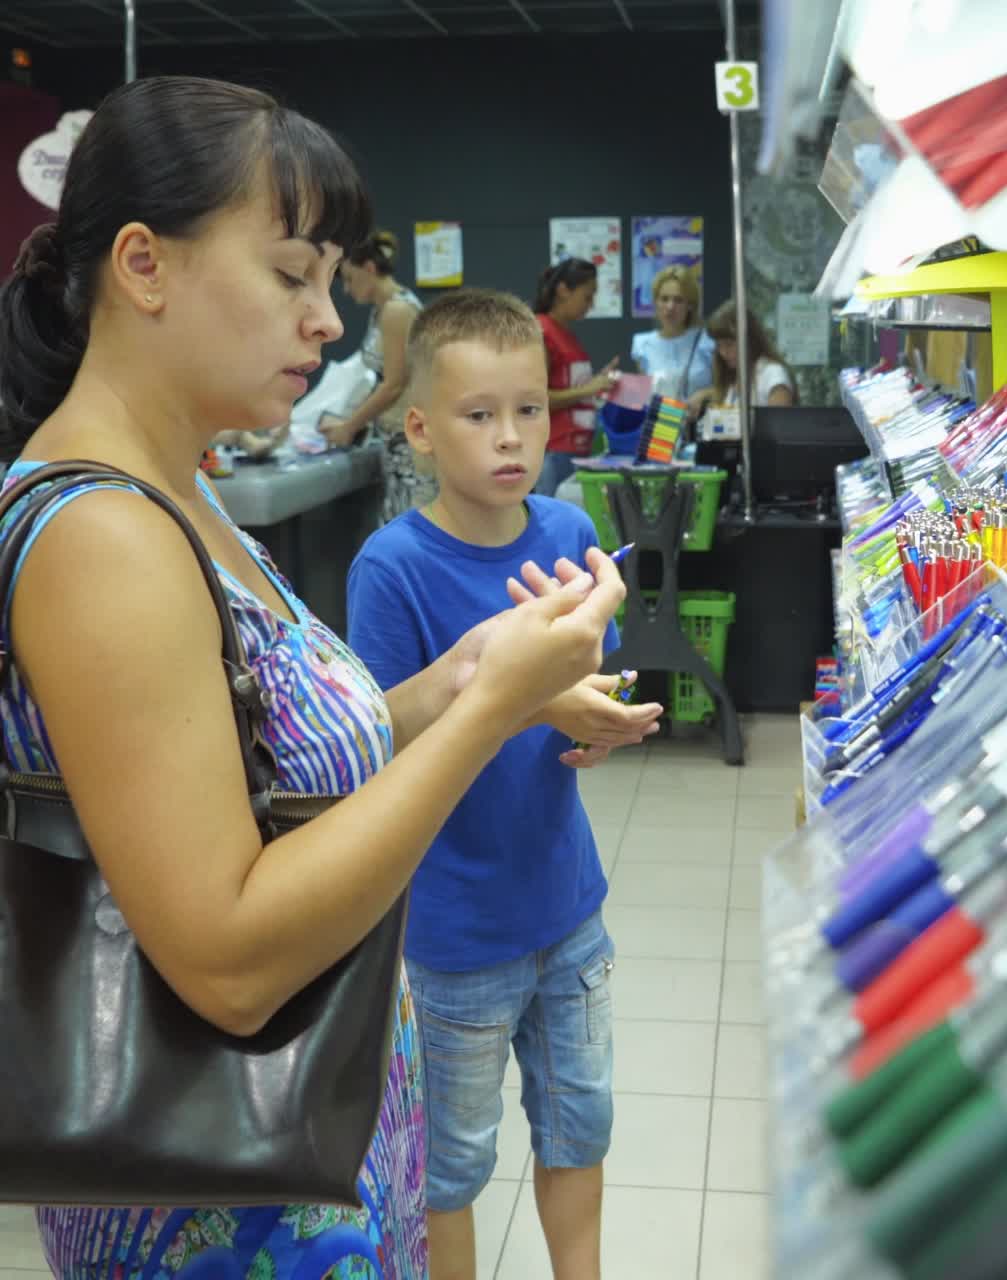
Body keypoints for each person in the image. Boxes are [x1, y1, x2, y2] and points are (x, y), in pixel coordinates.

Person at [0, 75, 626, 1280]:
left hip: (308, 1153)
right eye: (291, 273)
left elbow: (263, 769)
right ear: (144, 264)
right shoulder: (101, 537)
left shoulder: (178, 492)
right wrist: (492, 709)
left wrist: (463, 675)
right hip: (233, 1215)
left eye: (331, 278)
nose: (330, 321)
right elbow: (229, 956)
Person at [346, 288, 662, 1280]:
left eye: (528, 408)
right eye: (479, 414)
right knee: (451, 1162)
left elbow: (584, 675)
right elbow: (385, 740)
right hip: (454, 930)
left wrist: (596, 718)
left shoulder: (566, 528)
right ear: (421, 428)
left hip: (567, 906)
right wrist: (543, 706)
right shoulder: (390, 567)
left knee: (579, 1124)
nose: (510, 436)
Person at [319, 229, 429, 522]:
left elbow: (394, 384)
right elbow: (379, 380)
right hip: (394, 441)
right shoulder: (381, 311)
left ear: (369, 268)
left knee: (410, 528)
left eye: (350, 277)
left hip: (409, 446)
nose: (346, 288)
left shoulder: (397, 310)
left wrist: (349, 425)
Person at [532, 258, 618, 498]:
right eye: (587, 297)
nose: (590, 305)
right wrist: (588, 389)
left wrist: (598, 382)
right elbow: (535, 399)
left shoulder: (567, 334)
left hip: (576, 449)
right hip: (554, 449)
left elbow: (572, 387)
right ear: (563, 290)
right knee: (551, 528)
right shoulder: (542, 331)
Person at [690, 299, 797, 414]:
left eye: (729, 344)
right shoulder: (733, 379)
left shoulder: (772, 375)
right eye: (719, 346)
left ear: (749, 339)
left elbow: (780, 428)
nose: (723, 352)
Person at [629, 264, 715, 401]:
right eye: (664, 299)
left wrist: (704, 394)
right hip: (662, 421)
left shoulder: (707, 341)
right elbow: (645, 398)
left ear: (690, 305)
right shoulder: (642, 345)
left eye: (678, 300)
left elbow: (728, 387)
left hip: (701, 420)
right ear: (656, 302)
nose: (670, 307)